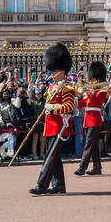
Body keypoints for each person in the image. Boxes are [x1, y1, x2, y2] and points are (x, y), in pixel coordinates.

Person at [30, 43, 75, 196]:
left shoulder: (67, 88)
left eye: (55, 70)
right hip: (50, 127)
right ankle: (59, 185)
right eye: (52, 70)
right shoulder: (50, 88)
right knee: (54, 159)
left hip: (61, 128)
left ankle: (41, 185)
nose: (52, 73)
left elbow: (69, 107)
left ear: (62, 71)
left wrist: (53, 108)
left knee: (49, 157)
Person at [73, 61, 109, 177]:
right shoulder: (91, 92)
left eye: (92, 79)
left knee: (88, 144)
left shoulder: (101, 92)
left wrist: (92, 90)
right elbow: (81, 104)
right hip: (87, 121)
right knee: (93, 146)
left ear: (97, 80)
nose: (89, 81)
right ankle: (97, 167)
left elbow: (96, 101)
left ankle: (82, 168)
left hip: (95, 121)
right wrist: (79, 97)